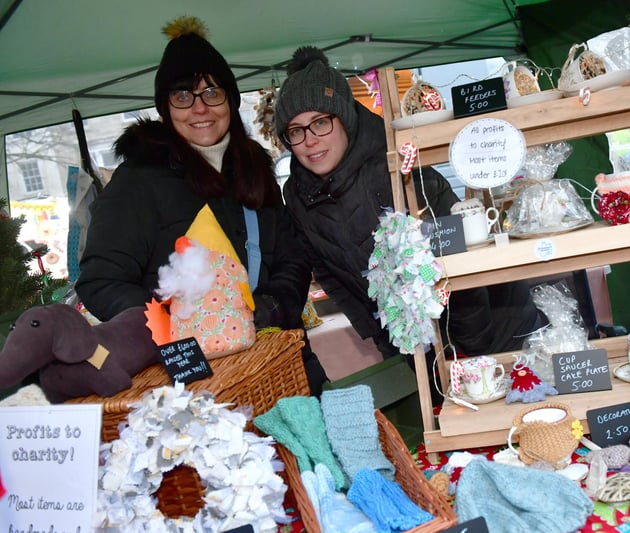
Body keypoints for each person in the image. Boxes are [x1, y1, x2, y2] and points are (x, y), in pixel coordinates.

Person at [75, 18, 328, 395]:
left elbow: (292, 255)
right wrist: (182, 322)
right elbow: (100, 281)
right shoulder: (139, 180)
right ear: (165, 107)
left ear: (230, 99)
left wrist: (271, 306)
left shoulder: (254, 169)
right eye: (183, 96)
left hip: (278, 361)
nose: (199, 108)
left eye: (211, 92)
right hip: (195, 381)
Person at [274, 46, 547, 373]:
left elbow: (456, 264)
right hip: (421, 351)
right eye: (295, 131)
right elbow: (333, 277)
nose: (309, 140)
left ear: (344, 117)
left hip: (496, 331)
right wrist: (384, 339)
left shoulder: (396, 164)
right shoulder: (297, 194)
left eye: (320, 122)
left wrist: (468, 354)